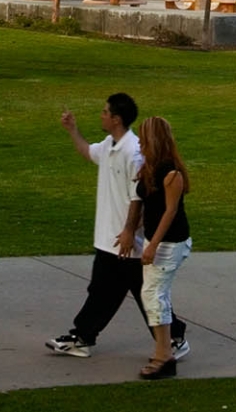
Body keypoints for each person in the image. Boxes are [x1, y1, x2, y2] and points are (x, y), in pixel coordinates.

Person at [47, 94, 189, 362]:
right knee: (118, 291)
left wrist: (128, 231)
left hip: (125, 241)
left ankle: (86, 337)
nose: (100, 115)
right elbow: (88, 152)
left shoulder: (134, 152)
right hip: (109, 238)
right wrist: (73, 131)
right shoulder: (110, 145)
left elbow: (139, 196)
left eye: (104, 112)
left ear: (116, 119)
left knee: (130, 292)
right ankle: (87, 336)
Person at [129, 115, 192, 381]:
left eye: (144, 138)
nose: (140, 143)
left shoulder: (171, 173)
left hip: (170, 242)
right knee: (154, 295)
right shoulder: (149, 168)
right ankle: (164, 350)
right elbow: (145, 204)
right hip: (156, 240)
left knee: (154, 295)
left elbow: (170, 211)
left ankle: (164, 356)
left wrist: (152, 245)